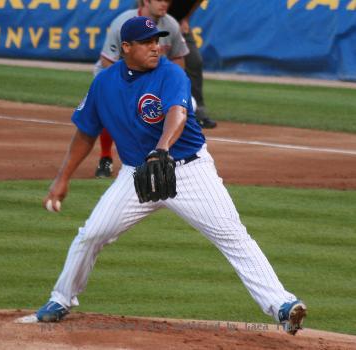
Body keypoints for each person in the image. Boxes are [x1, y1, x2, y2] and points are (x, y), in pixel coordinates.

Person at [35, 17, 307, 336]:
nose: (156, 47)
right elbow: (85, 133)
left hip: (190, 172)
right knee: (92, 234)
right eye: (148, 42)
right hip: (136, 177)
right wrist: (62, 177)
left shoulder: (170, 73)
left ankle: (283, 306)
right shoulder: (104, 83)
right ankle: (60, 298)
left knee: (232, 236)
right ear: (126, 48)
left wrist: (162, 148)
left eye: (158, 40)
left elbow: (176, 113)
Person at [93, 0, 189, 178]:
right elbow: (108, 61)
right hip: (118, 76)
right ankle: (105, 158)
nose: (165, 4)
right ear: (146, 1)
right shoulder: (122, 23)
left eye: (167, 0)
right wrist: (133, 88)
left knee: (184, 105)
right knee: (110, 109)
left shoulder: (171, 24)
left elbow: (178, 58)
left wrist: (176, 86)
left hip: (154, 78)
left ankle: (163, 154)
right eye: (159, 0)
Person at [168, 0, 217, 129]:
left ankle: (198, 113)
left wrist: (185, 19)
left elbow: (194, 3)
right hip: (154, 18)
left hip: (178, 21)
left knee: (194, 61)